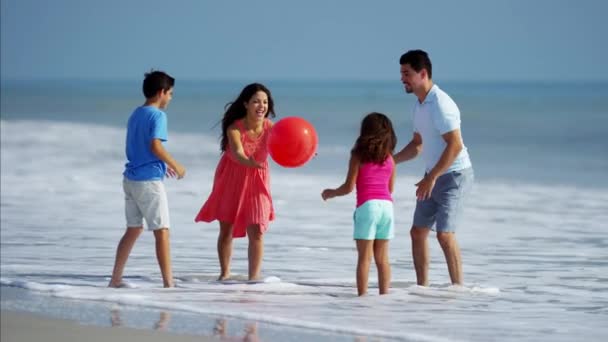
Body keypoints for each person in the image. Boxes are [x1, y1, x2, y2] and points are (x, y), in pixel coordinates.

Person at [394, 49, 474, 286]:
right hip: (433, 175)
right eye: (401, 73)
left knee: (444, 235)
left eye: (407, 73)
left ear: (423, 73)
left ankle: (458, 289)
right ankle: (422, 290)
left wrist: (432, 178)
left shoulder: (440, 103)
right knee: (417, 232)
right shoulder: (419, 106)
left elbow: (455, 145)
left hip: (455, 176)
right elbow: (418, 145)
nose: (402, 79)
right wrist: (391, 161)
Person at [108, 70, 186, 288]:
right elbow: (155, 145)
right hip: (148, 182)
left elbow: (138, 146)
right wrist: (175, 165)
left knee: (133, 228)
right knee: (162, 232)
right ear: (161, 92)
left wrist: (161, 165)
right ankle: (169, 284)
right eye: (170, 94)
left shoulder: (136, 113)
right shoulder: (158, 115)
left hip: (130, 179)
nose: (170, 98)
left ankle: (115, 279)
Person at [195, 83, 276, 281]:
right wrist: (250, 162)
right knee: (226, 228)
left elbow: (289, 143)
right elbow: (239, 153)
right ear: (246, 103)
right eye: (256, 101)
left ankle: (254, 279)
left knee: (257, 229)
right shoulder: (235, 128)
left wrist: (304, 151)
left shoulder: (271, 127)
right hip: (232, 177)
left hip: (258, 180)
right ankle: (224, 274)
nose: (261, 106)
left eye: (265, 102)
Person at [322, 112, 397, 296]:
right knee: (382, 258)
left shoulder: (358, 156)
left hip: (368, 206)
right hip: (387, 207)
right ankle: (384, 296)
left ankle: (362, 298)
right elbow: (390, 188)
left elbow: (348, 187)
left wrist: (332, 192)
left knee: (365, 258)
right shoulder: (390, 159)